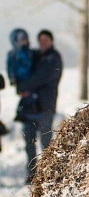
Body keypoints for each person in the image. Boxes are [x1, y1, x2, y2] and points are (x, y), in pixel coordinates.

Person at [15, 29, 63, 183]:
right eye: (40, 40)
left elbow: (42, 77)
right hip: (30, 107)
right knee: (29, 143)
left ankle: (49, 174)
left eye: (46, 40)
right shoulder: (34, 56)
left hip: (45, 107)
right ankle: (32, 174)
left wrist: (23, 86)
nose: (43, 42)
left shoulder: (54, 58)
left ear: (51, 41)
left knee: (46, 144)